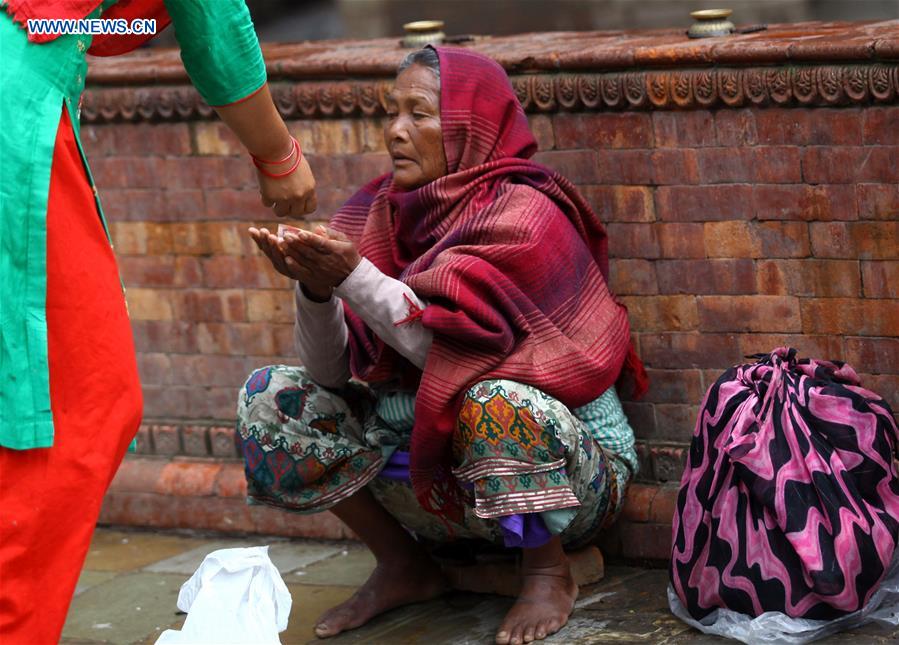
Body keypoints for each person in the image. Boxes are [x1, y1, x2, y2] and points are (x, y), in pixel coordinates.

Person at [240, 46, 647, 645]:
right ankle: (403, 564)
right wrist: (316, 289)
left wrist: (356, 278)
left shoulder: (524, 213)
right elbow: (328, 376)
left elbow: (463, 361)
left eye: (419, 114)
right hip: (428, 482)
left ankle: (546, 570)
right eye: (392, 111)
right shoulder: (376, 212)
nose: (395, 131)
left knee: (492, 399)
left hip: (569, 480)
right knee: (271, 396)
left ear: (471, 126)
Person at [0, 0, 316, 641]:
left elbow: (94, 26)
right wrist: (278, 155)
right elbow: (213, 19)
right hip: (15, 112)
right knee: (82, 405)